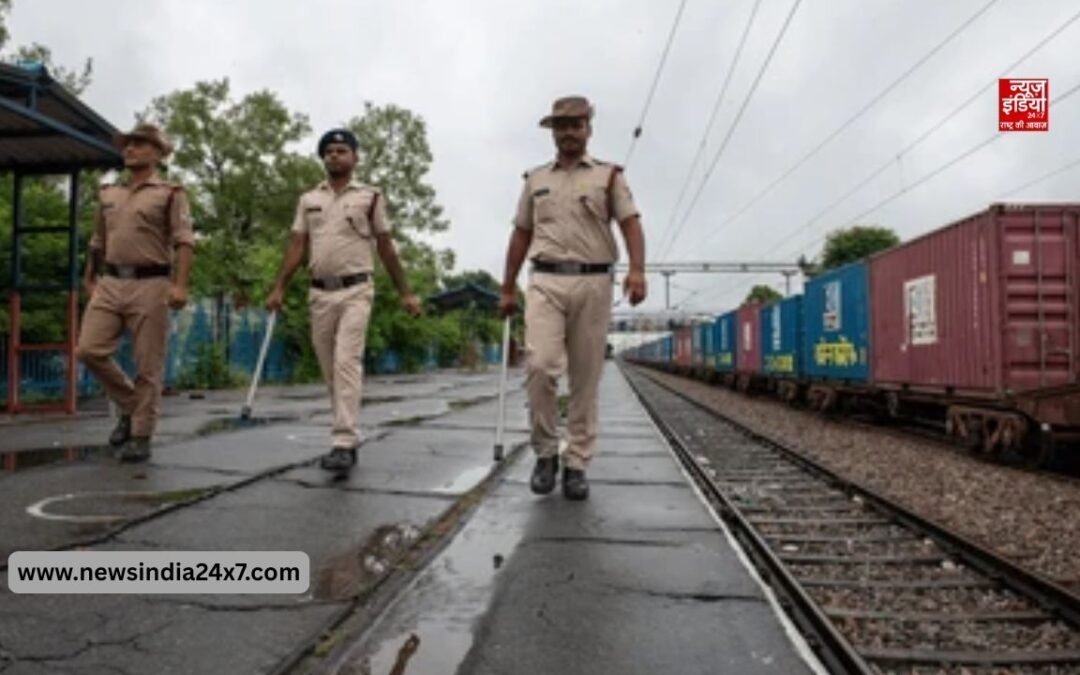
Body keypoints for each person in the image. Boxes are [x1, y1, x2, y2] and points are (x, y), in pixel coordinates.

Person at [499, 96, 647, 500]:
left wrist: (636, 270)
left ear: (588, 128)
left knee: (585, 379)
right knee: (541, 367)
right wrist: (507, 286)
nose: (568, 132)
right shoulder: (534, 180)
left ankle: (577, 463)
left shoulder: (609, 177)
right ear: (552, 131)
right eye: (561, 126)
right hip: (545, 280)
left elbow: (631, 223)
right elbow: (520, 234)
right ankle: (546, 452)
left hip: (594, 283)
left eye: (575, 125)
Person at [267, 129, 421, 473]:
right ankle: (345, 430)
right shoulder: (309, 199)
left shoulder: (370, 197)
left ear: (355, 158)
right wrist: (278, 286)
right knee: (329, 369)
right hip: (319, 291)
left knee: (345, 361)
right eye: (329, 152)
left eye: (341, 150)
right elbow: (296, 245)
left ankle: (343, 441)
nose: (334, 156)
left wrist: (405, 292)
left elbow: (385, 246)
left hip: (357, 290)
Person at [76, 123, 194, 462]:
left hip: (151, 283)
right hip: (110, 282)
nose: (130, 149)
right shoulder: (108, 193)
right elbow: (97, 241)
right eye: (128, 144)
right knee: (89, 350)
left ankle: (141, 435)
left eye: (140, 144)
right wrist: (89, 277)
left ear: (157, 153)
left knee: (148, 364)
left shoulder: (170, 193)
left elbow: (184, 240)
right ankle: (131, 406)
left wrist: (180, 284)